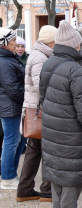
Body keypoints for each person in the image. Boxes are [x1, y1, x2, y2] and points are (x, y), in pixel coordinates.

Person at [39, 20, 82, 207]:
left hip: (52, 136)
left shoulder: (48, 63)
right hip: (73, 139)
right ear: (75, 44)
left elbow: (42, 99)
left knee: (58, 185)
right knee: (71, 190)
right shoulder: (76, 70)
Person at [16, 25, 57, 202]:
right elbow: (42, 86)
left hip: (36, 109)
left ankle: (24, 190)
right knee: (46, 151)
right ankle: (46, 191)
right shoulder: (40, 57)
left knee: (34, 152)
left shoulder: (39, 54)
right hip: (40, 111)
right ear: (51, 41)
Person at [0, 28, 26, 189]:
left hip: (13, 105)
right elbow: (12, 88)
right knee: (11, 141)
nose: (16, 43)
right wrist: (27, 96)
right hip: (10, 107)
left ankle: (11, 174)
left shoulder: (9, 58)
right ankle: (8, 177)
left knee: (20, 140)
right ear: (3, 43)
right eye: (12, 41)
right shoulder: (4, 61)